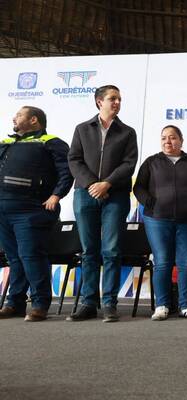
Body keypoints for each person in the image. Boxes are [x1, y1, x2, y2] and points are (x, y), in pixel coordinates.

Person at [67, 84, 138, 322]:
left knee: (111, 251)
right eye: (112, 98)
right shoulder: (82, 129)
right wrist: (92, 184)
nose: (117, 102)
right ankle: (88, 303)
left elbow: (129, 164)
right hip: (85, 194)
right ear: (99, 102)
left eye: (119, 99)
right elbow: (74, 160)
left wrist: (106, 184)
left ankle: (109, 303)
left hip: (115, 195)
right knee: (89, 251)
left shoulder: (127, 132)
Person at [0, 106, 73, 321]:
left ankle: (40, 304)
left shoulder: (51, 142)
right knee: (14, 258)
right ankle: (14, 303)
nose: (14, 118)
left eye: (19, 115)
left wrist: (56, 195)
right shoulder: (6, 143)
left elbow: (67, 172)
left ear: (33, 120)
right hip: (3, 209)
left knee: (31, 256)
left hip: (31, 210)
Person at [133, 125, 187, 321]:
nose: (168, 141)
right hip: (157, 220)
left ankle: (186, 305)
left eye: (173, 137)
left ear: (181, 141)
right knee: (162, 263)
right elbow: (139, 187)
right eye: (164, 138)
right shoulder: (151, 162)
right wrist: (150, 203)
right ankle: (162, 306)